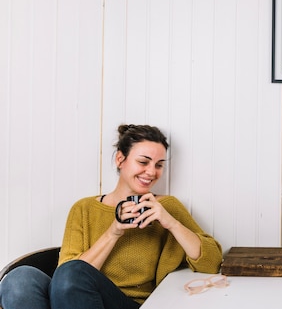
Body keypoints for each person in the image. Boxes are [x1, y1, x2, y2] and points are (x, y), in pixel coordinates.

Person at [0, 124, 222, 309]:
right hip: (73, 301)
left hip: (127, 304)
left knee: (71, 275)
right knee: (19, 279)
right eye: (143, 162)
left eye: (159, 165)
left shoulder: (165, 206)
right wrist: (114, 231)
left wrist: (171, 223)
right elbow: (66, 275)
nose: (152, 172)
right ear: (120, 159)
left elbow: (212, 262)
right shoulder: (84, 209)